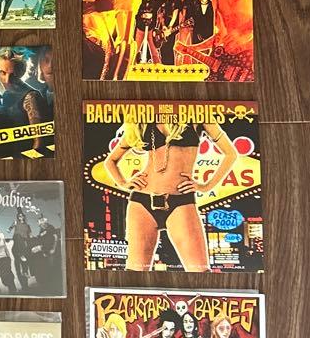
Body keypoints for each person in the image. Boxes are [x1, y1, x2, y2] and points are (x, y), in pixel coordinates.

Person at [102, 111, 239, 271]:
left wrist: (206, 186)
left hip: (181, 201)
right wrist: (123, 183)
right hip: (141, 201)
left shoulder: (196, 116)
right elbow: (110, 161)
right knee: (135, 272)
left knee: (200, 271)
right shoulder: (143, 121)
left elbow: (231, 154)